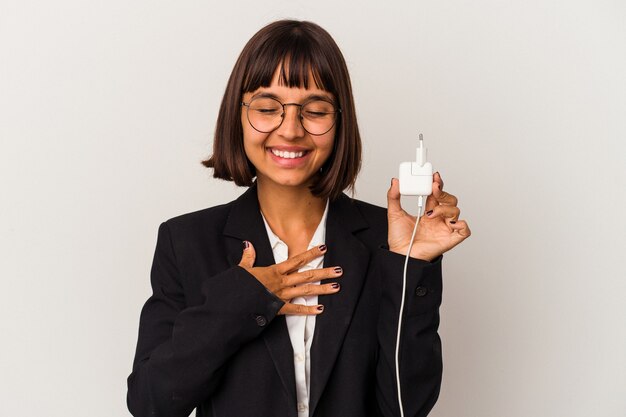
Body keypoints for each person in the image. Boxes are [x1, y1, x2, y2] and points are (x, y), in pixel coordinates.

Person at [127, 19, 470, 417]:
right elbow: (151, 403)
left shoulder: (387, 241)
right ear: (238, 116)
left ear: (339, 122)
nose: (290, 130)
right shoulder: (186, 241)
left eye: (315, 110)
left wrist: (411, 265)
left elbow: (404, 407)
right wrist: (243, 301)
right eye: (268, 108)